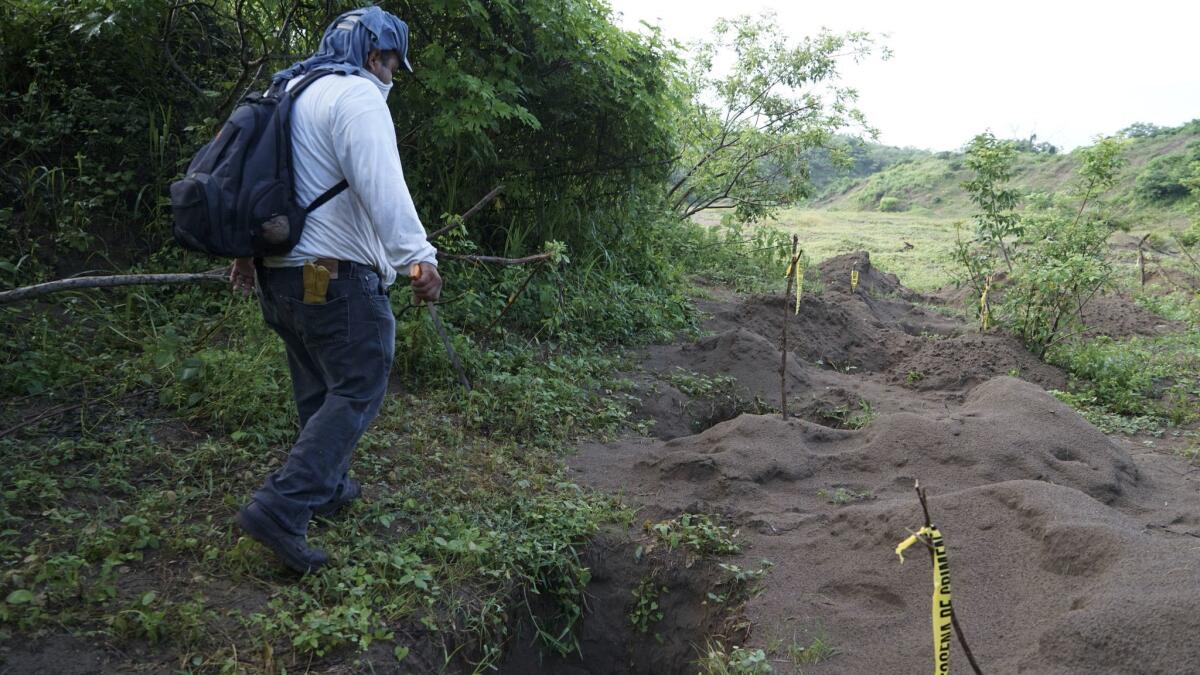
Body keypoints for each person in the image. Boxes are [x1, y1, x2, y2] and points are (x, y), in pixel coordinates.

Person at [228, 6, 440, 574]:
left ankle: (329, 486)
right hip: (337, 279)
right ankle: (282, 506)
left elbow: (257, 182)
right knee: (358, 387)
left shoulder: (287, 90)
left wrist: (247, 255)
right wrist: (418, 259)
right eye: (394, 65)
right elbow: (381, 184)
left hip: (278, 275)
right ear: (375, 56)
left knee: (318, 388)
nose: (393, 77)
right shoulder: (358, 95)